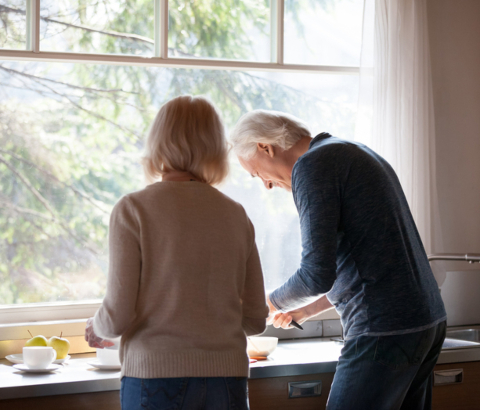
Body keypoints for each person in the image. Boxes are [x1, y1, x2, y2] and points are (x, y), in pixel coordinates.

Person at [230, 110, 447, 410]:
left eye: (256, 173)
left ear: (265, 147)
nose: (265, 185)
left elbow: (316, 274)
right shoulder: (349, 151)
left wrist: (264, 305)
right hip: (425, 322)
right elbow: (367, 265)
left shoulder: (311, 166)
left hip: (385, 329)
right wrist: (306, 310)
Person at [85, 96, 269, 410]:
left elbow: (116, 317)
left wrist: (96, 327)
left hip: (155, 378)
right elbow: (255, 320)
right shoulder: (235, 214)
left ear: (157, 141)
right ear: (215, 147)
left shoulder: (133, 210)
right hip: (227, 380)